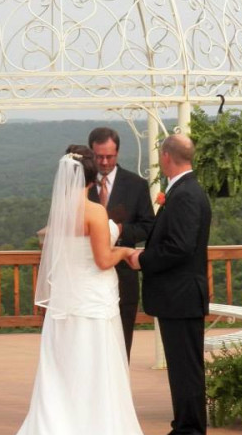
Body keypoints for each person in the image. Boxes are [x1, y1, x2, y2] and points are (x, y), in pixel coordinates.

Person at [16, 145, 143, 434]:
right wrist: (123, 252)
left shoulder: (58, 214)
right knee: (95, 366)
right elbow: (102, 260)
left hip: (64, 302)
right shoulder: (94, 211)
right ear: (91, 177)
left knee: (63, 367)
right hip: (93, 302)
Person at [127, 134, 211, 435]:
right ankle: (185, 423)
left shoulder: (186, 194)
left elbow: (180, 247)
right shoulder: (184, 190)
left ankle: (190, 428)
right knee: (181, 366)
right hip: (179, 296)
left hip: (181, 295)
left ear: (166, 157)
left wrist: (143, 259)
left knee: (185, 367)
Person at [87, 127, 155, 359]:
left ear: (118, 153)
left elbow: (148, 226)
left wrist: (119, 230)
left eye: (110, 156)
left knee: (121, 340)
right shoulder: (79, 187)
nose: (104, 162)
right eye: (99, 157)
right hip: (89, 275)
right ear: (91, 153)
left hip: (124, 275)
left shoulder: (136, 184)